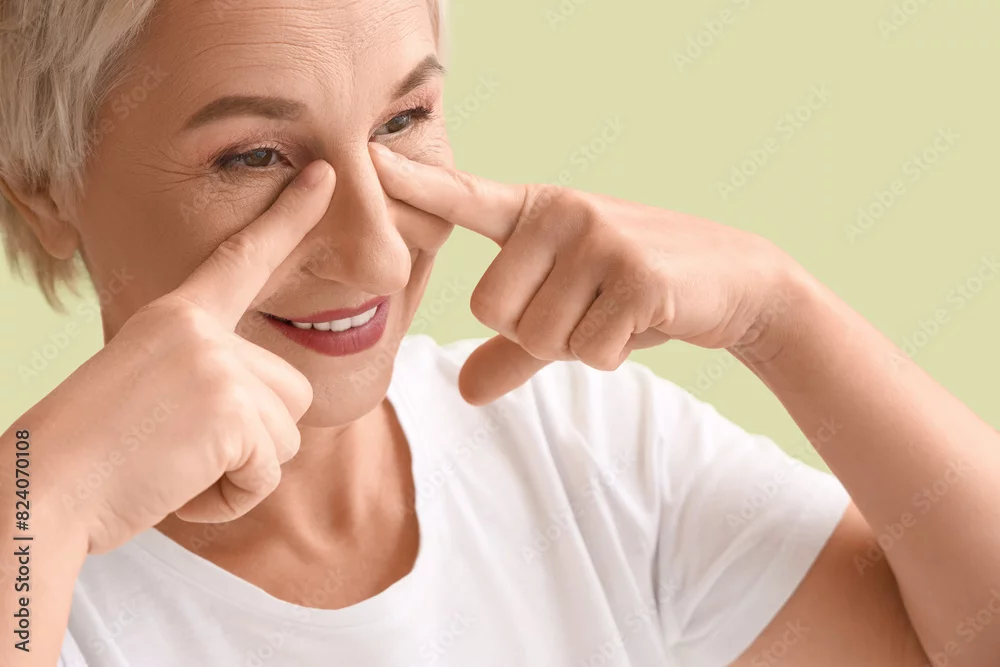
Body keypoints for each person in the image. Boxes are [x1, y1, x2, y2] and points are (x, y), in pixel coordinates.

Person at [0, 0, 997, 665]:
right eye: (255, 157)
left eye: (401, 121)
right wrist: (38, 498)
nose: (378, 255)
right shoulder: (38, 574)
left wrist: (778, 312)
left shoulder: (577, 444)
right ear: (43, 186)